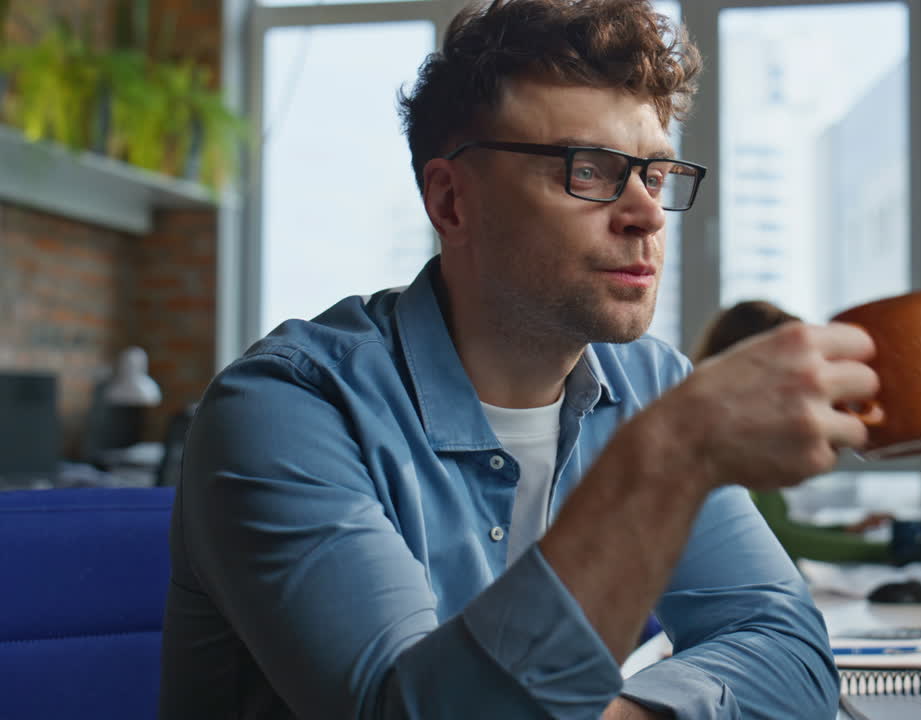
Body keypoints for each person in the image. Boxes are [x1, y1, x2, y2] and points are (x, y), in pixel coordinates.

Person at [159, 2, 881, 718]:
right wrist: (667, 456)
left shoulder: (653, 387)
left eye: (655, 176)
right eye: (590, 170)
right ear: (451, 202)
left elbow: (789, 652)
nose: (648, 215)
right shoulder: (286, 410)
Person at [692, 300, 921, 566]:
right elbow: (779, 539)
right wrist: (892, 550)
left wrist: (846, 530)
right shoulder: (726, 441)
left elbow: (778, 528)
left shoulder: (743, 435)